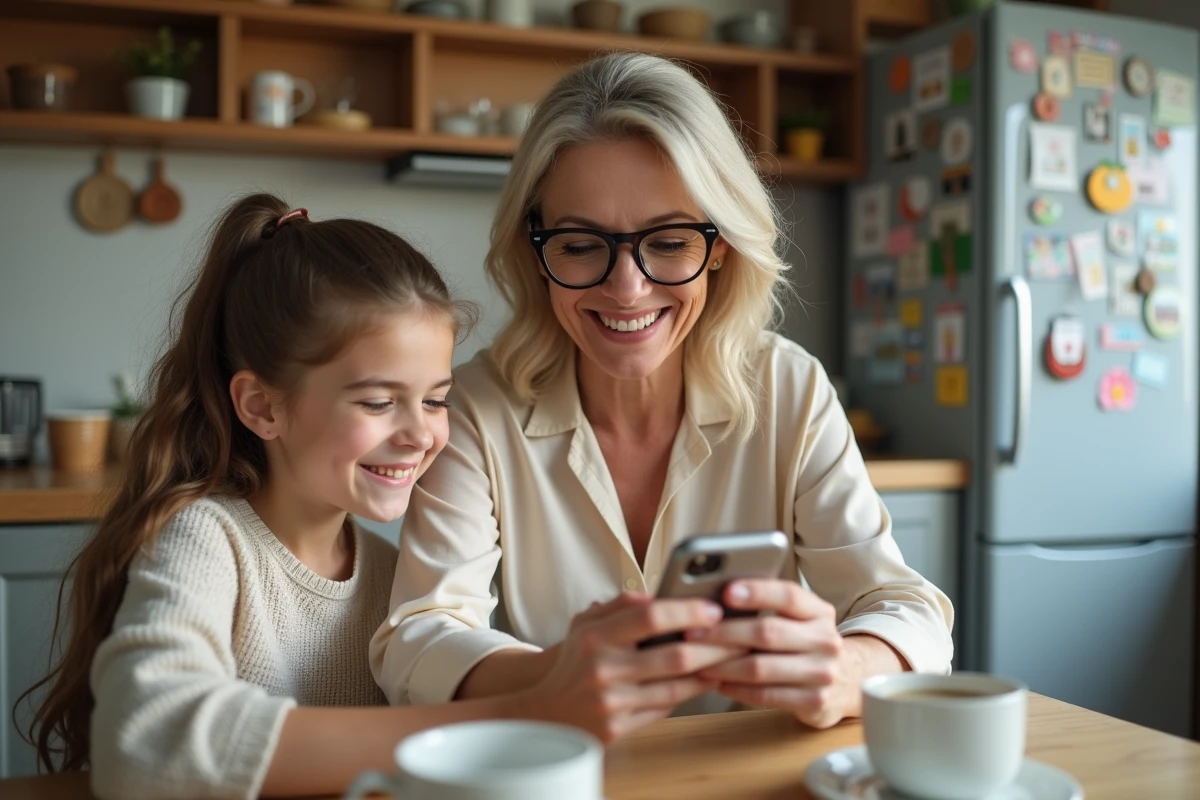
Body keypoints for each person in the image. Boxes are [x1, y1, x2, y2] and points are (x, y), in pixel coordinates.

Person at [19, 193, 696, 800]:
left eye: (435, 400)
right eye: (377, 401)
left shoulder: (389, 577)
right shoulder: (206, 539)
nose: (421, 435)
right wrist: (513, 714)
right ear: (262, 406)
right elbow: (146, 744)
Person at [370, 52, 954, 739]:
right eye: (582, 244)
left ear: (721, 248)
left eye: (669, 241)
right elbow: (418, 637)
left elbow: (903, 605)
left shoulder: (788, 388)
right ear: (536, 251)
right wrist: (563, 678)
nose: (627, 288)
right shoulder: (475, 406)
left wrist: (848, 667)